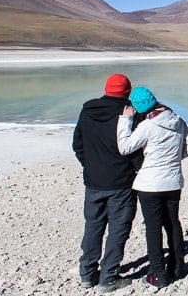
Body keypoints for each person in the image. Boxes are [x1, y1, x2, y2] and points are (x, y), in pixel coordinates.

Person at [117, 86, 188, 289]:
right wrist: (174, 159)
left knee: (153, 228)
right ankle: (178, 268)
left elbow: (125, 147)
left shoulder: (147, 126)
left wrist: (125, 120)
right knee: (173, 223)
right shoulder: (178, 121)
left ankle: (158, 275)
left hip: (150, 184)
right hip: (173, 182)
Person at [72, 73, 142, 292]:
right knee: (119, 228)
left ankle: (87, 274)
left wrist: (90, 165)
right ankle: (108, 277)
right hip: (121, 181)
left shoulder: (87, 111)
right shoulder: (129, 113)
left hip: (93, 181)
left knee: (93, 225)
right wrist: (135, 169)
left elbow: (78, 144)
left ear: (106, 89)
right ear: (127, 91)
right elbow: (136, 149)